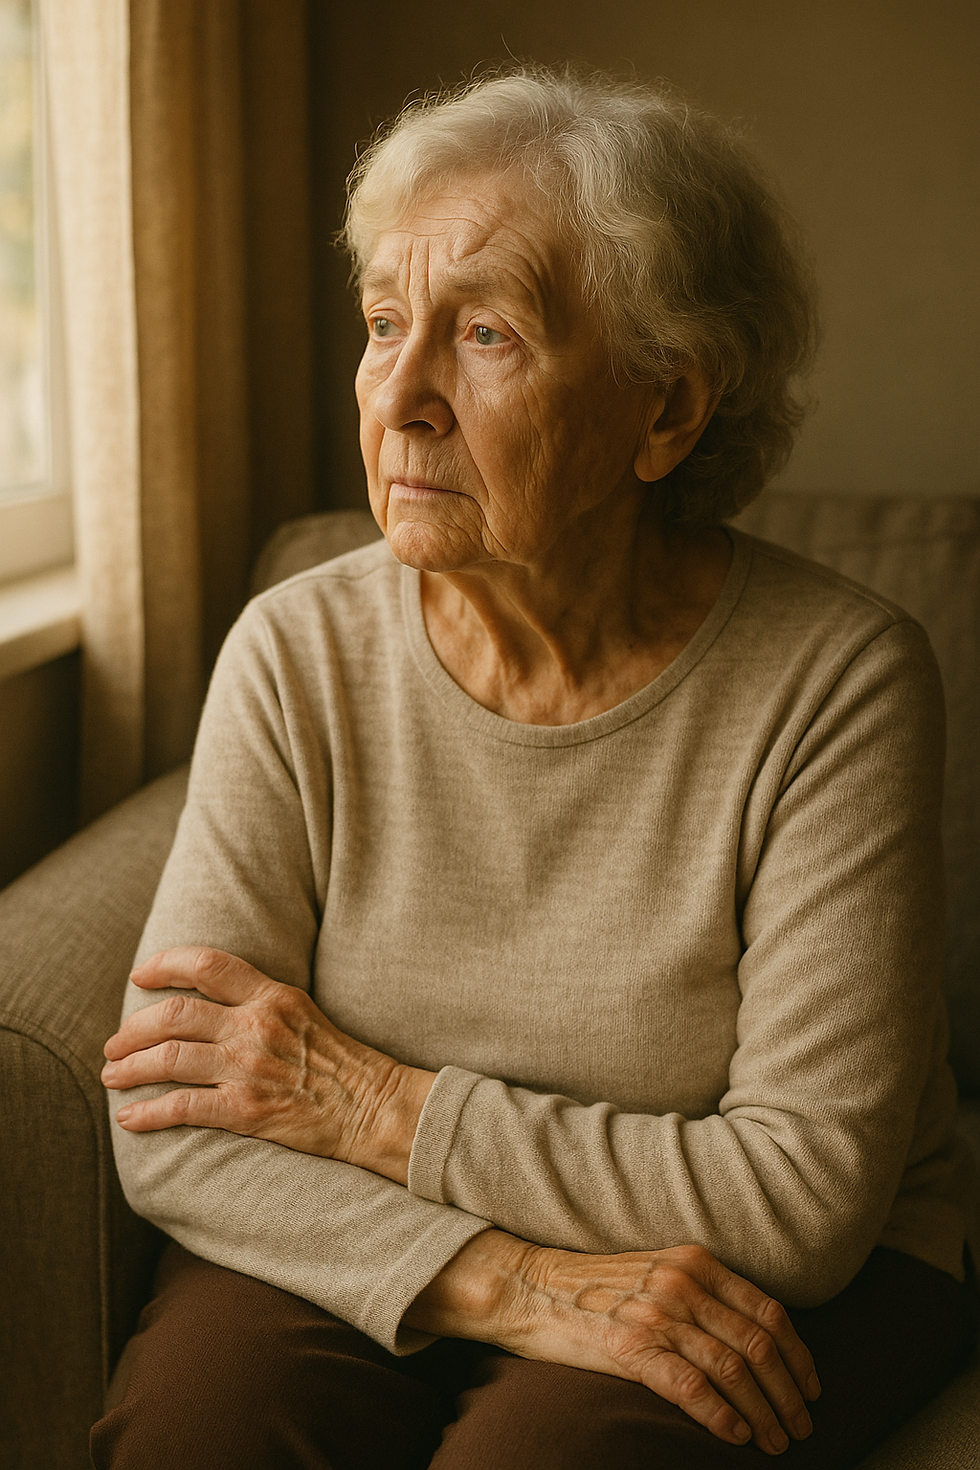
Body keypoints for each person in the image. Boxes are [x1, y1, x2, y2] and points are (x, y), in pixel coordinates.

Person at [93, 66, 976, 1469]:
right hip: (400, 1228)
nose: (403, 396)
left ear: (666, 410)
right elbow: (172, 1120)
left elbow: (799, 1196)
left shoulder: (839, 678)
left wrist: (371, 1103)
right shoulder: (295, 650)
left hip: (769, 1270)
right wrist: (503, 1276)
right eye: (386, 324)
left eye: (486, 333)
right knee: (201, 1426)